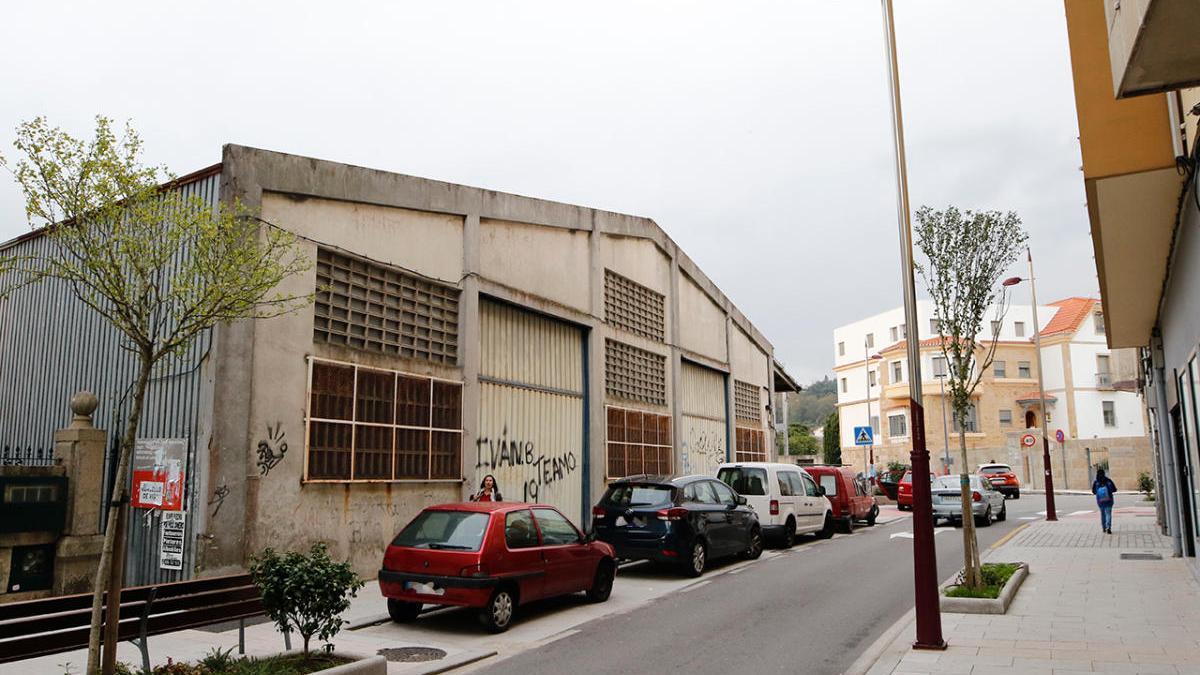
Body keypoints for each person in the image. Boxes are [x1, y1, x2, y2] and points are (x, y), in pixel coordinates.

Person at [1092, 468, 1117, 534]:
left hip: (1100, 501)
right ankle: (1108, 527)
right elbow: (1114, 489)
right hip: (1109, 501)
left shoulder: (1096, 482)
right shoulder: (1108, 481)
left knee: (1102, 514)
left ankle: (1104, 528)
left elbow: (1094, 492)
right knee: (1108, 514)